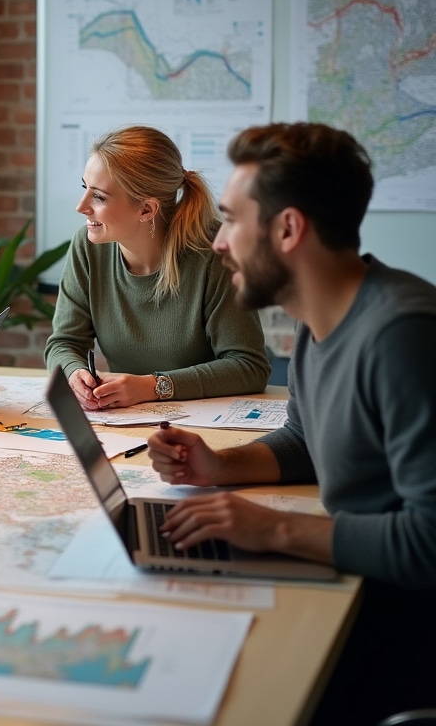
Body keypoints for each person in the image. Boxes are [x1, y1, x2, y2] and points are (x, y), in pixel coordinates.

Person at [147, 122, 436, 723]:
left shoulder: (402, 337)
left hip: (401, 639)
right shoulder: (319, 316)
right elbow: (307, 440)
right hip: (358, 596)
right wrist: (220, 466)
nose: (218, 242)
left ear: (287, 229)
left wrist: (274, 531)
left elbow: (430, 542)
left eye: (229, 219)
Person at [44, 125, 269, 410]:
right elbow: (63, 343)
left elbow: (249, 367)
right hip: (128, 420)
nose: (81, 206)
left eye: (98, 197)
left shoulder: (216, 251)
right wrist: (74, 373)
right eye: (84, 188)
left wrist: (153, 386)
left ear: (147, 210)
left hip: (207, 422)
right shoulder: (87, 246)